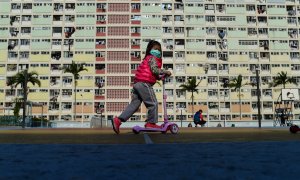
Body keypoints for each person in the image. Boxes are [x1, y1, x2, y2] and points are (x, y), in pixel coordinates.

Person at [112, 40, 172, 134]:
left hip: (137, 83)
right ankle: (151, 123)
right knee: (153, 103)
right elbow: (155, 70)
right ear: (150, 49)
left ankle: (118, 120)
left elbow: (153, 73)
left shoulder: (146, 59)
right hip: (144, 83)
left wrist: (160, 77)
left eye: (159, 50)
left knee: (134, 105)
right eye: (155, 49)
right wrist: (165, 71)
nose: (157, 51)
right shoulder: (152, 58)